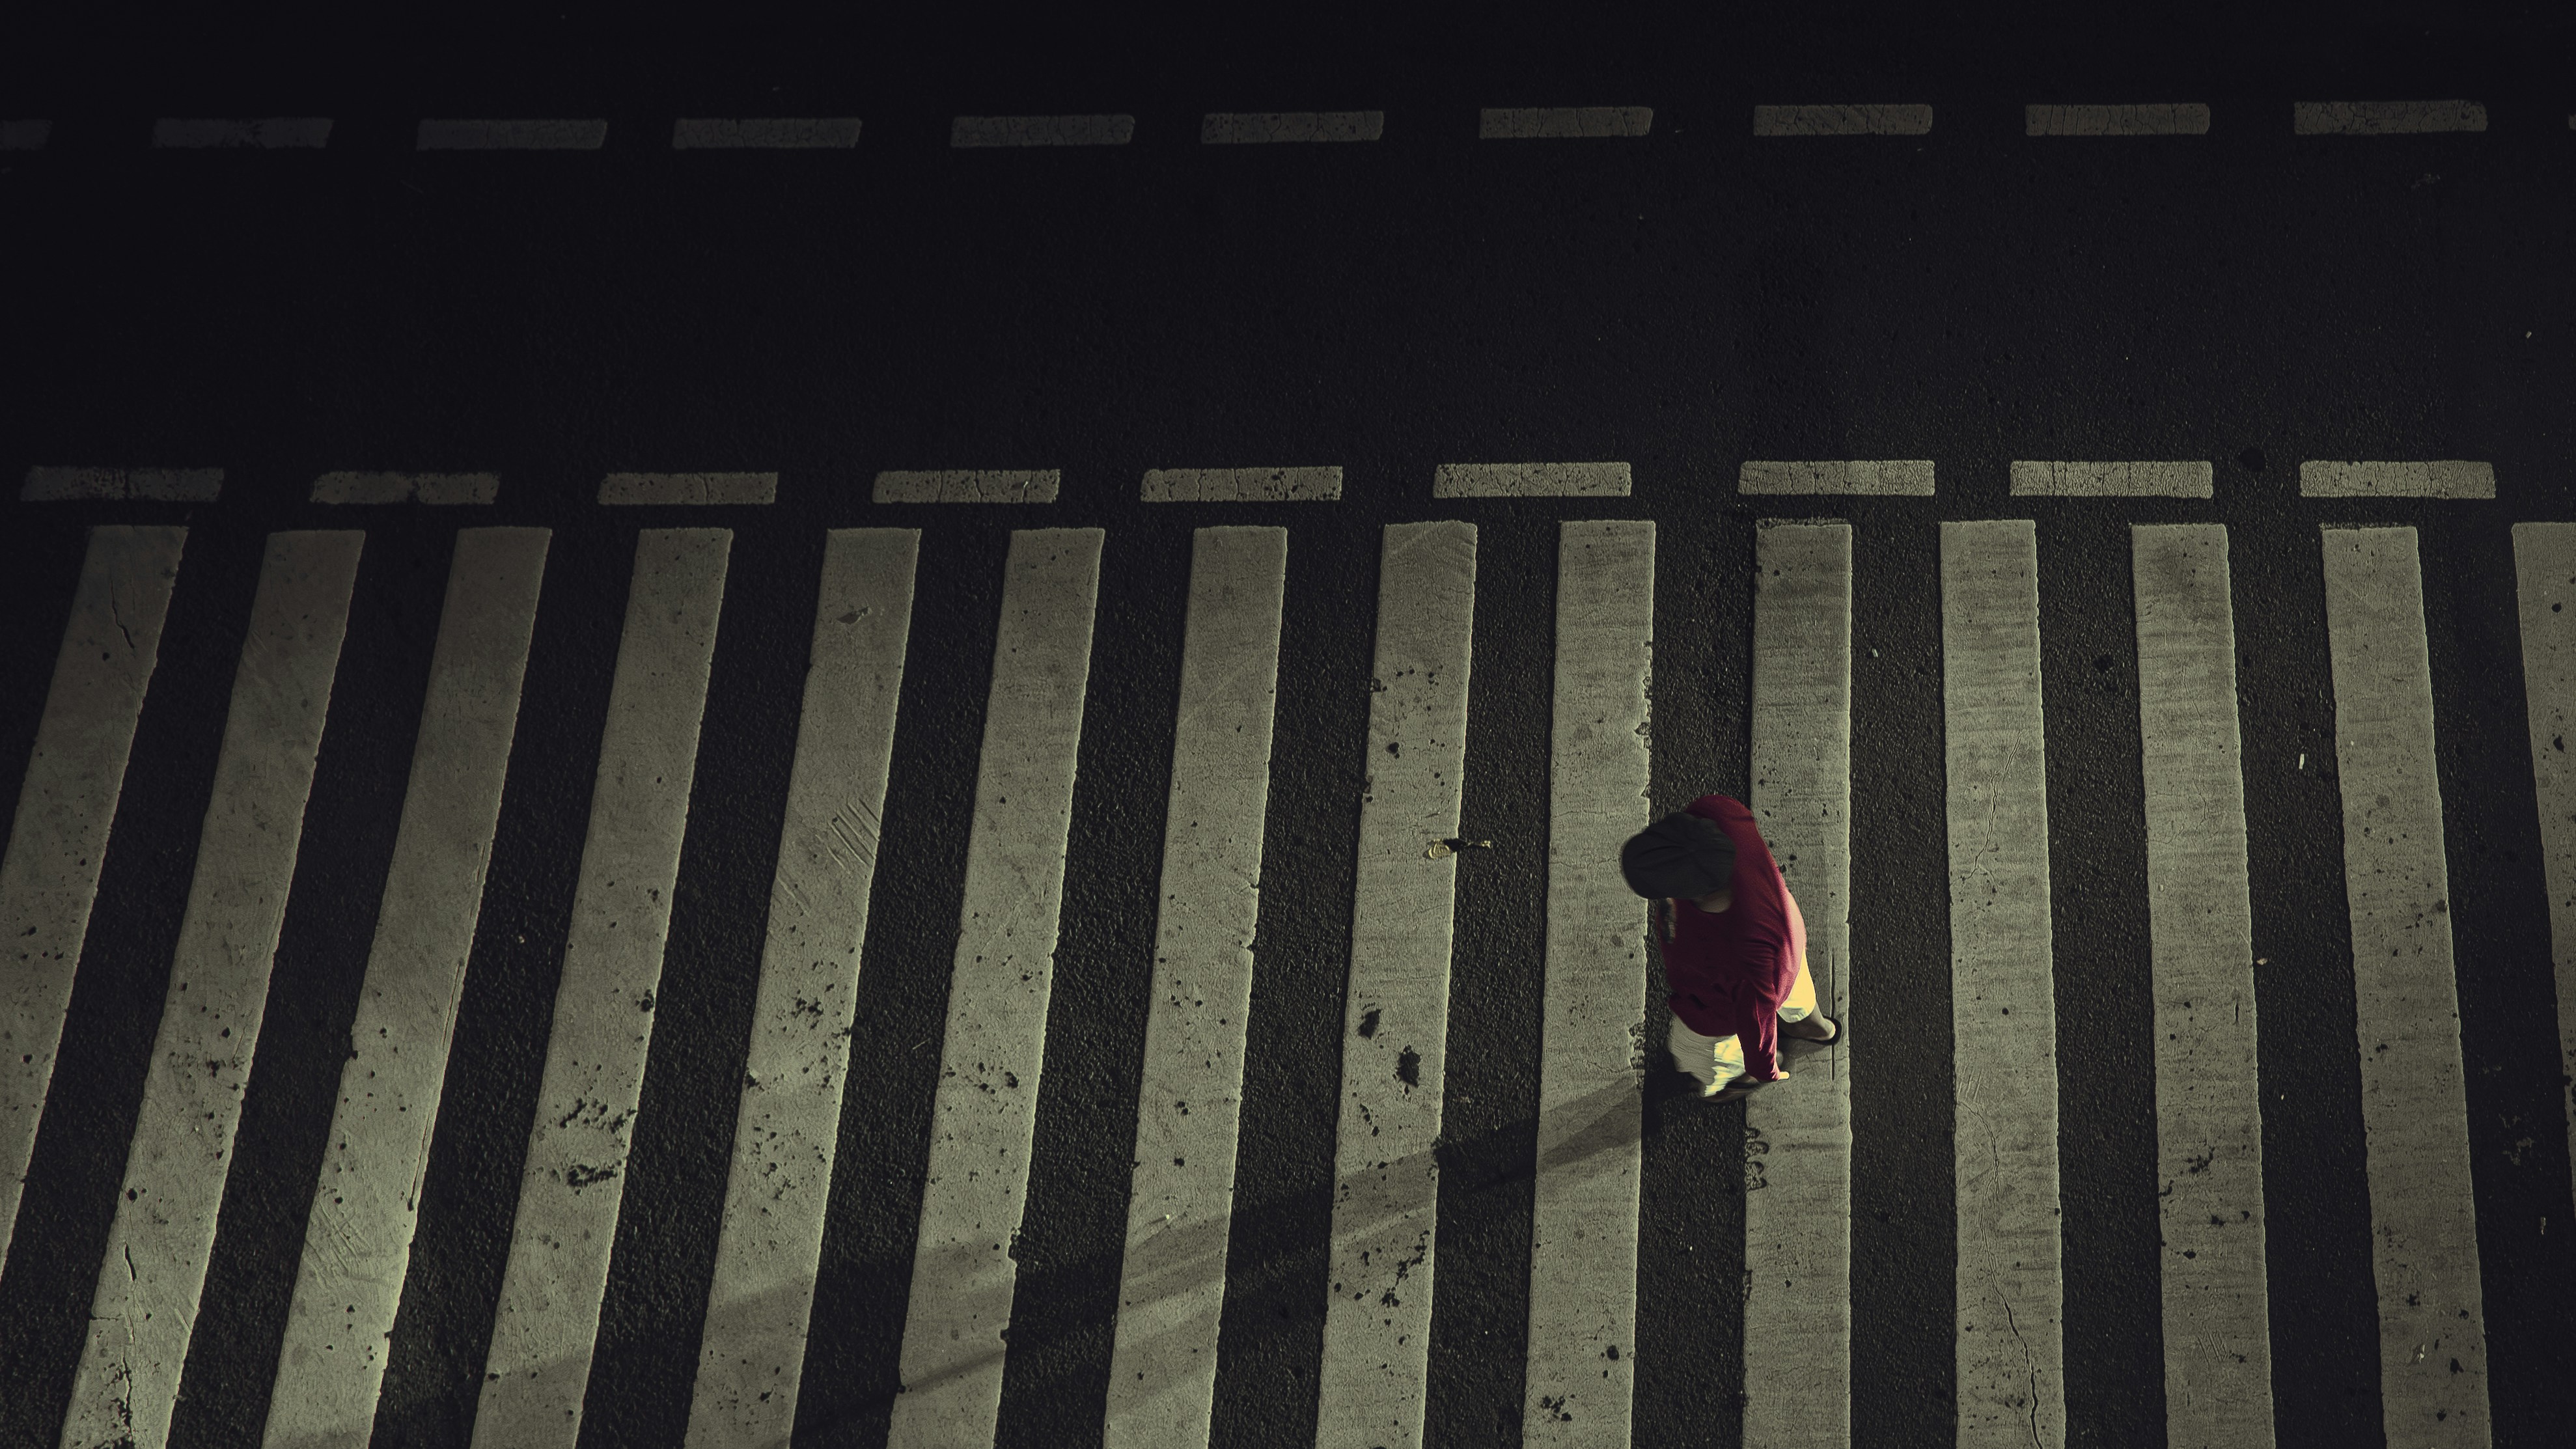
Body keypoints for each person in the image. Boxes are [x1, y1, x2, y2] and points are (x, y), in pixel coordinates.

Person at [1620, 796, 1840, 1102]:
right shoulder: (1719, 814)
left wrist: (1765, 1068)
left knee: (1699, 1058)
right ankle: (1819, 1030)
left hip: (1716, 1012)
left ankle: (1731, 1082)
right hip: (1788, 946)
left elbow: (1756, 1022)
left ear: (1692, 893)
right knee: (1796, 994)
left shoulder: (1747, 956)